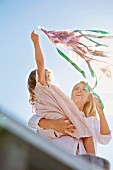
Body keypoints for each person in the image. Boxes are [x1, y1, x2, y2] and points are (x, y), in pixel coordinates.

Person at [27, 31, 111, 155]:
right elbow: (33, 121)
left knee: (87, 134)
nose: (78, 90)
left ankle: (91, 162)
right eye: (76, 88)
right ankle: (92, 161)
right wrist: (53, 124)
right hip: (57, 154)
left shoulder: (91, 120)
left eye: (83, 89)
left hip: (80, 161)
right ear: (69, 96)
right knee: (86, 134)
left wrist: (101, 112)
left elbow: (105, 139)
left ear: (89, 98)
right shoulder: (62, 107)